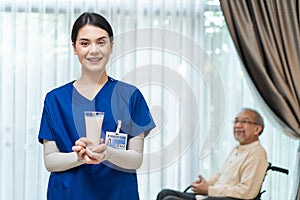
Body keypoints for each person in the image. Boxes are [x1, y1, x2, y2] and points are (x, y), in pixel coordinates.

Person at [38, 12, 155, 200]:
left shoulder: (130, 96)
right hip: (69, 194)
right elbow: (50, 160)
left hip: (117, 194)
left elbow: (136, 158)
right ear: (74, 47)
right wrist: (79, 157)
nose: (94, 50)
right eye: (85, 43)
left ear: (111, 46)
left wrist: (107, 153)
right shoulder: (55, 99)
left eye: (101, 42)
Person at [156, 108, 268, 200]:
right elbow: (220, 176)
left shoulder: (257, 153)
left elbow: (246, 192)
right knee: (164, 193)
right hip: (215, 195)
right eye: (236, 121)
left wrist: (209, 190)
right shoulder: (237, 148)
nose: (238, 125)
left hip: (226, 199)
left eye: (244, 121)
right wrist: (205, 185)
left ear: (257, 129)